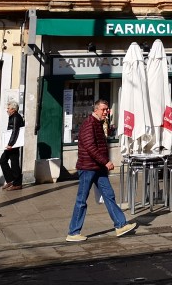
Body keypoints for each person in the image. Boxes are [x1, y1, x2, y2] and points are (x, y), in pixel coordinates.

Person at [66, 100, 137, 242]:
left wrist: (103, 163)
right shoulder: (89, 124)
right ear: (96, 109)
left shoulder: (98, 123)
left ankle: (120, 225)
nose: (106, 112)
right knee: (82, 199)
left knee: (109, 195)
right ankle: (73, 232)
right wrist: (105, 161)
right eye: (104, 109)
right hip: (88, 168)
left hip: (97, 168)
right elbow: (90, 147)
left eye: (107, 110)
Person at [0, 101, 24, 190]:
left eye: (8, 108)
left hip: (13, 145)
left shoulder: (16, 117)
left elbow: (15, 131)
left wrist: (11, 144)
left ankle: (17, 184)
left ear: (13, 109)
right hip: (11, 144)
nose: (7, 110)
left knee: (14, 164)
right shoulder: (13, 117)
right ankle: (10, 180)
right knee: (3, 161)